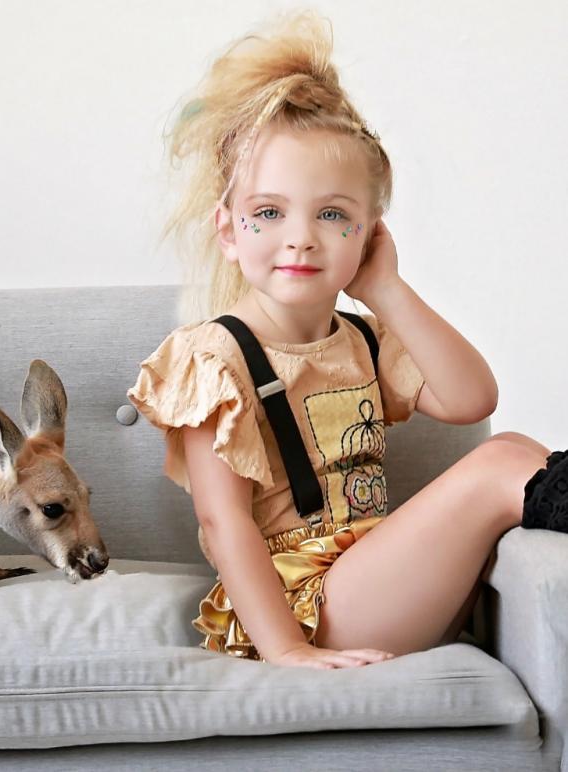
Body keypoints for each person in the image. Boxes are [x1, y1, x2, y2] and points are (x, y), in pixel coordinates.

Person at [127, 9, 559, 671]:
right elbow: (224, 521)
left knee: (514, 448)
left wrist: (385, 288)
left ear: (370, 232)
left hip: (376, 582)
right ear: (229, 231)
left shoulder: (362, 338)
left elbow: (473, 398)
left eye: (332, 214)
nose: (301, 237)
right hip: (307, 606)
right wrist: (288, 649)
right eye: (269, 213)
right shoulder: (212, 361)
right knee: (501, 467)